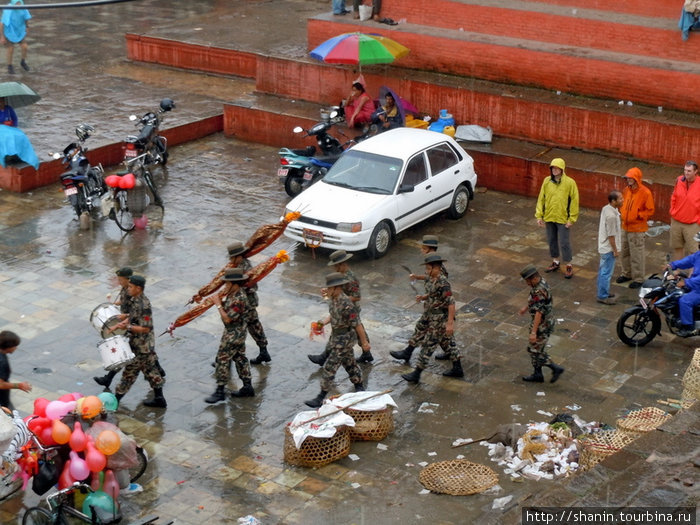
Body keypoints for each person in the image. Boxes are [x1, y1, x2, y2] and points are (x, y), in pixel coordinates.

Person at [193, 242, 270, 365]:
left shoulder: (245, 267)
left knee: (234, 330)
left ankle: (225, 360)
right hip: (247, 302)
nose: (230, 259)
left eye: (232, 257)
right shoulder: (238, 264)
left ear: (238, 256)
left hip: (245, 303)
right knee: (254, 326)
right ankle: (263, 351)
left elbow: (249, 285)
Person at [305, 272, 370, 408]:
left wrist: (364, 343)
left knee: (329, 368)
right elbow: (333, 315)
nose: (327, 290)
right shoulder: (334, 299)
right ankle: (359, 387)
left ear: (336, 288)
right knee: (349, 363)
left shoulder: (346, 304)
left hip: (344, 340)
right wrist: (323, 323)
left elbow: (358, 325)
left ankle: (320, 397)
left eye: (329, 288)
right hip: (336, 337)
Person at [398, 253, 464, 384]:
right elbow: (433, 294)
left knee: (428, 345)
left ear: (437, 268)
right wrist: (423, 297)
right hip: (431, 314)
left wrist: (450, 323)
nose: (427, 271)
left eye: (429, 269)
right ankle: (458, 368)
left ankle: (416, 373)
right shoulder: (432, 279)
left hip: (440, 319)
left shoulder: (443, 283)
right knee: (447, 343)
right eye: (426, 269)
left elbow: (451, 303)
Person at [390, 235, 450, 363]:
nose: (421, 250)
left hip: (437, 310)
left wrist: (448, 317)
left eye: (423, 248)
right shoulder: (431, 262)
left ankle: (453, 358)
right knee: (423, 329)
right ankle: (408, 352)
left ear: (429, 249)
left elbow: (441, 288)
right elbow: (430, 280)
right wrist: (418, 278)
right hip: (431, 306)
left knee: (436, 336)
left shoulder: (438, 268)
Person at [308, 250, 374, 365]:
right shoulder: (339, 276)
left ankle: (323, 357)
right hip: (343, 308)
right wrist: (329, 292)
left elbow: (357, 297)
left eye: (335, 266)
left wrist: (341, 300)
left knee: (342, 331)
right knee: (357, 328)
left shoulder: (351, 278)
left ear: (341, 264)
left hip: (349, 309)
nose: (334, 268)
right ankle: (366, 353)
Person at [113, 275, 166, 408]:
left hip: (142, 346)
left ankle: (115, 400)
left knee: (129, 374)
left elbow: (146, 328)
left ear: (139, 288)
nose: (128, 289)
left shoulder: (144, 305)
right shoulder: (135, 300)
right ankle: (159, 398)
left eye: (131, 287)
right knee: (151, 371)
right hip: (139, 345)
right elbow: (133, 316)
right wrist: (124, 322)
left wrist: (128, 327)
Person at [205, 268, 256, 403]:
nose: (225, 286)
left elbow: (228, 319)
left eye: (227, 283)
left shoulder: (238, 298)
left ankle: (220, 390)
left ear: (235, 283)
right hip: (236, 333)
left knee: (222, 359)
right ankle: (247, 387)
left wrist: (218, 305)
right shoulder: (233, 294)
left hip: (234, 335)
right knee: (240, 358)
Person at [518, 265, 564, 383]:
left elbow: (539, 312)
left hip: (542, 324)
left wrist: (534, 332)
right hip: (544, 322)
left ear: (533, 279)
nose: (527, 283)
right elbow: (535, 302)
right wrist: (526, 308)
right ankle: (537, 374)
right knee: (535, 349)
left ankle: (555, 368)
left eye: (527, 281)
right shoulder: (541, 282)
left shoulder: (539, 290)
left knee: (534, 350)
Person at [535, 158, 580, 279]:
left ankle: (568, 264)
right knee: (551, 240)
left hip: (563, 218)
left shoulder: (570, 183)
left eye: (557, 168)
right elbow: (541, 198)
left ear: (562, 169)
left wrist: (572, 219)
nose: (554, 170)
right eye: (552, 168)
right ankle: (555, 261)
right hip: (549, 216)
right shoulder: (547, 181)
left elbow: (574, 201)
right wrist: (539, 215)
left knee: (564, 242)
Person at [616, 168, 655, 289]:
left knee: (637, 254)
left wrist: (638, 215)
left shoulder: (645, 192)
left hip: (637, 229)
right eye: (627, 178)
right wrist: (621, 212)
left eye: (631, 178)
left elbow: (650, 210)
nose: (628, 180)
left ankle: (638, 278)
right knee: (625, 252)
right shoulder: (626, 190)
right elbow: (622, 203)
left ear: (636, 179)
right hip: (625, 226)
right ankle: (626, 273)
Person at [668, 233, 700, 337]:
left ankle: (688, 327)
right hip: (695, 285)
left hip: (698, 289)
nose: (698, 244)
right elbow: (689, 260)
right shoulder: (698, 254)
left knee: (685, 301)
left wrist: (686, 282)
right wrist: (673, 265)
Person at [670, 161, 700, 264]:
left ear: (696, 171)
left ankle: (692, 276)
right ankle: (677, 272)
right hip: (676, 221)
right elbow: (674, 197)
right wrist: (672, 211)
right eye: (685, 170)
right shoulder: (679, 180)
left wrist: (698, 221)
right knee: (677, 247)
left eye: (689, 171)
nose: (686, 173)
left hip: (693, 224)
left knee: (693, 251)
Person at [596, 191, 623, 305]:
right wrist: (615, 250)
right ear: (613, 201)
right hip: (608, 248)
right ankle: (602, 296)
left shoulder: (607, 208)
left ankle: (603, 292)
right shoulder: (611, 216)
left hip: (604, 246)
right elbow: (611, 236)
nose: (622, 200)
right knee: (606, 273)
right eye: (620, 198)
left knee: (603, 271)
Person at [0, 330, 31, 410]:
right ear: (9, 347)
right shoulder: (1, 362)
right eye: (15, 346)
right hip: (1, 398)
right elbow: (1, 384)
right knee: (10, 415)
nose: (16, 348)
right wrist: (19, 385)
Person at [0, 0, 30, 75]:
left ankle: (23, 61)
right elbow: (2, 24)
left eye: (19, 3)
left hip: (19, 30)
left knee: (25, 46)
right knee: (10, 49)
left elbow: (26, 17)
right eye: (17, 3)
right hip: (9, 30)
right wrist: (2, 36)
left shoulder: (23, 8)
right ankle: (9, 66)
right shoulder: (8, 10)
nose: (18, 5)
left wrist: (27, 26)